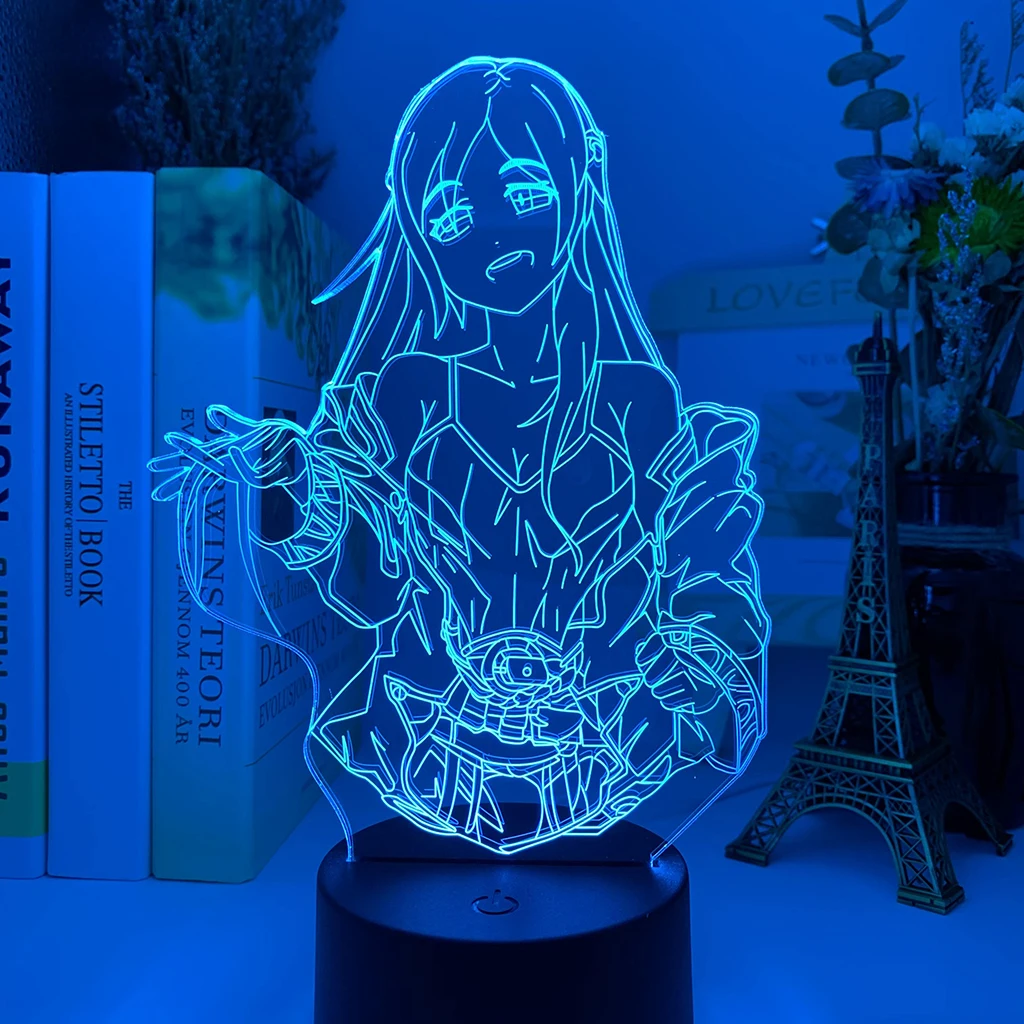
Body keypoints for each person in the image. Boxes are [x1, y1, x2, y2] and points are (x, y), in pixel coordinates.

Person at [150, 56, 770, 855]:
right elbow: (355, 553)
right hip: (426, 735)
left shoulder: (641, 399)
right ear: (420, 237)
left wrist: (697, 660)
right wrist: (289, 478)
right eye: (449, 214)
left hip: (614, 731)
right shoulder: (402, 394)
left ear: (579, 193)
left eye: (525, 194)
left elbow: (707, 560)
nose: (492, 232)